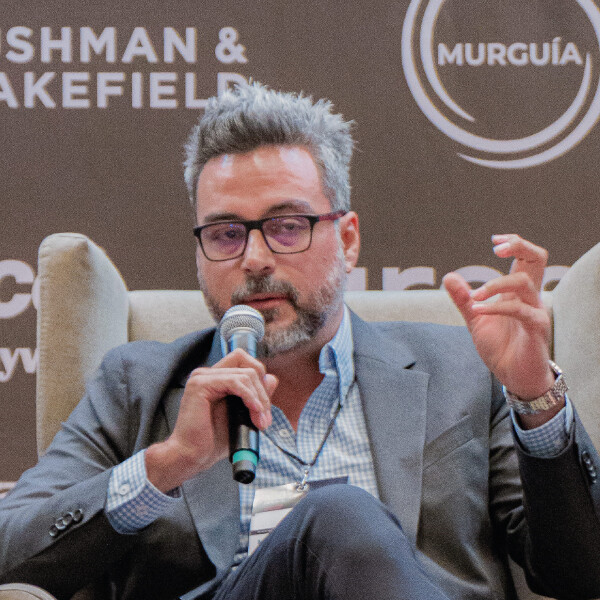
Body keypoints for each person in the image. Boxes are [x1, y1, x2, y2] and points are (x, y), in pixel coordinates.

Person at [1, 83, 600, 600]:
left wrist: (535, 399)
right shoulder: (138, 385)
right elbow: (10, 552)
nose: (255, 258)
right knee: (337, 515)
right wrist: (168, 464)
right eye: (226, 234)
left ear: (348, 240)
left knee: (342, 518)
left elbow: (583, 574)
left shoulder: (460, 371)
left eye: (287, 227)